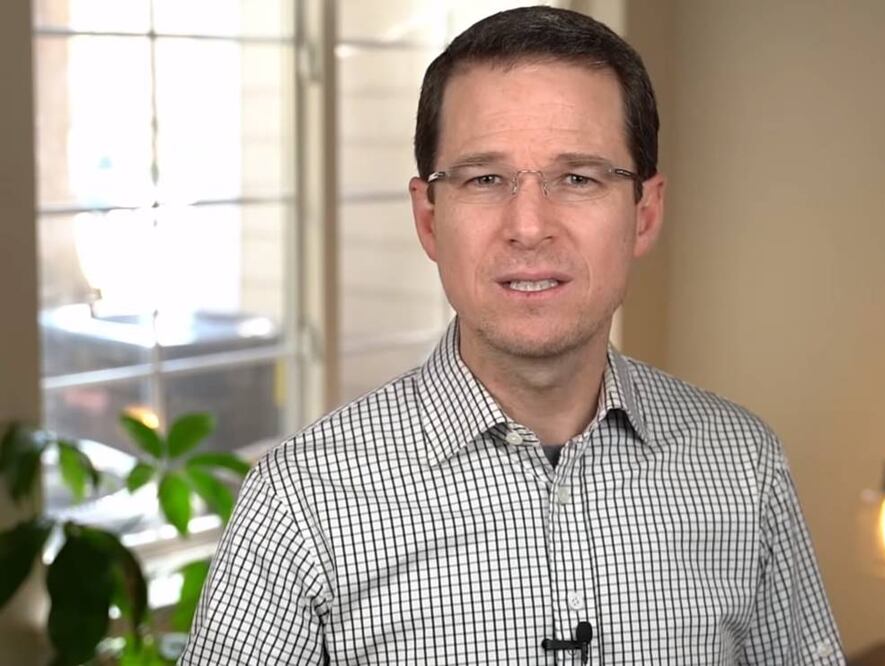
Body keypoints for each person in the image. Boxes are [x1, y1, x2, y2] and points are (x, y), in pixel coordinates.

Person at [180, 6, 843, 664]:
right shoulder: (301, 503)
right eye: (484, 179)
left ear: (643, 213)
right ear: (429, 217)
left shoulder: (742, 468)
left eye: (577, 178)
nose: (528, 226)